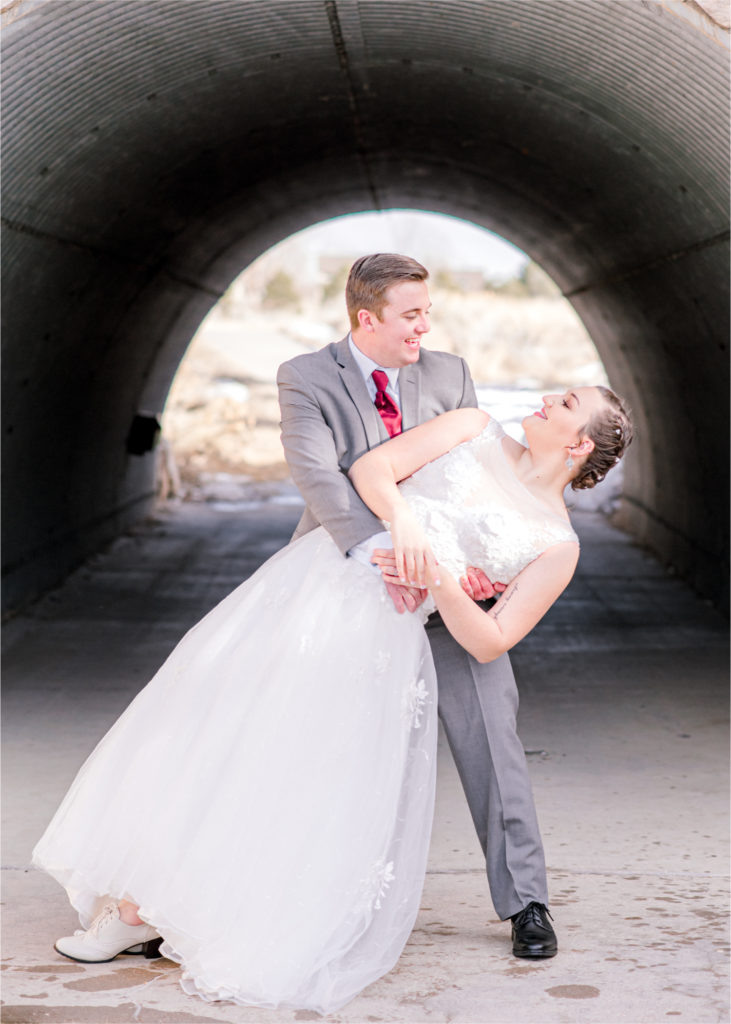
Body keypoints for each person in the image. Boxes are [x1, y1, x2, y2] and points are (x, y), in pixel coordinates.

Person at [32, 255, 633, 1014]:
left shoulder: (456, 383)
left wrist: (450, 575)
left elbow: (494, 539)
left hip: (437, 613)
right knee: (253, 742)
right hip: (341, 579)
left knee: (485, 737)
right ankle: (145, 906)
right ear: (367, 319)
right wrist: (394, 541)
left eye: (563, 403)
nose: (426, 325)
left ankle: (525, 903)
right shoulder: (309, 378)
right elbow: (339, 474)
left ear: (578, 446)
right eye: (411, 313)